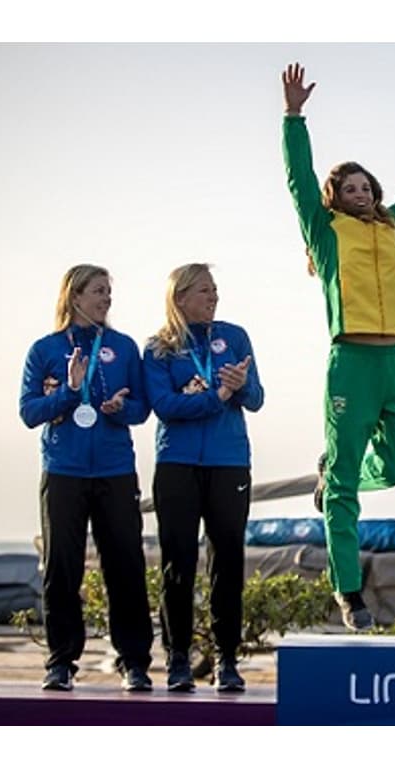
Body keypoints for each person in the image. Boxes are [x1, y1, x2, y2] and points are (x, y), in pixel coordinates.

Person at [280, 62, 395, 631]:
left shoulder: (393, 226)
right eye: (349, 188)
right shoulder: (325, 231)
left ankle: (335, 472)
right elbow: (298, 178)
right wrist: (293, 117)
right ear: (335, 197)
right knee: (344, 495)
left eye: (366, 187)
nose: (359, 194)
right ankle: (349, 592)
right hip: (351, 362)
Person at [19, 265, 154, 692]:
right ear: (74, 296)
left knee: (126, 567)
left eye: (109, 292)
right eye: (99, 291)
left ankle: (133, 661)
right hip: (64, 470)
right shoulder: (44, 350)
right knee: (62, 567)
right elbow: (29, 412)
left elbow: (142, 409)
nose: (107, 299)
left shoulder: (123, 347)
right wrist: (67, 392)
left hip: (115, 470)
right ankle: (61, 661)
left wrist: (120, 409)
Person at [143, 263, 264, 692]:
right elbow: (166, 407)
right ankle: (178, 659)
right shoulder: (158, 348)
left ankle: (227, 660)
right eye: (204, 291)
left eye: (215, 289)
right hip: (177, 464)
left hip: (229, 461)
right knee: (179, 564)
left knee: (228, 562)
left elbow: (258, 398)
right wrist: (219, 396)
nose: (214, 297)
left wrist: (241, 386)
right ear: (179, 298)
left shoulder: (235, 336)